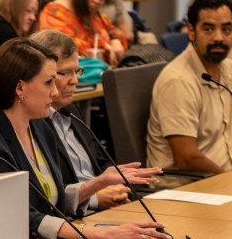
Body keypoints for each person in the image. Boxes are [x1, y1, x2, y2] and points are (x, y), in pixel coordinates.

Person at [0, 38, 171, 239]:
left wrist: (97, 183)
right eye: (49, 82)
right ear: (20, 88)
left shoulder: (38, 126)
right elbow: (18, 217)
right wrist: (102, 234)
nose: (55, 91)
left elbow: (48, 201)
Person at [32, 30, 160, 210]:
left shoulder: (71, 109)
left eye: (77, 71)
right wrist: (95, 198)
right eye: (65, 73)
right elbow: (46, 192)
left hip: (107, 206)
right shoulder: (32, 122)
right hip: (75, 214)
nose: (75, 81)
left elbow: (101, 161)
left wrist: (118, 188)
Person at [147, 0, 232, 174]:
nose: (219, 38)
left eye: (226, 29)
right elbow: (186, 158)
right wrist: (231, 182)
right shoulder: (178, 80)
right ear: (191, 32)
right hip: (186, 188)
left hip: (224, 182)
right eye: (208, 29)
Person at [37, 0, 127, 65]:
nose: (97, 1)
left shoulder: (93, 14)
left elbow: (116, 35)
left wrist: (115, 39)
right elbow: (70, 51)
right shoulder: (54, 13)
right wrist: (105, 46)